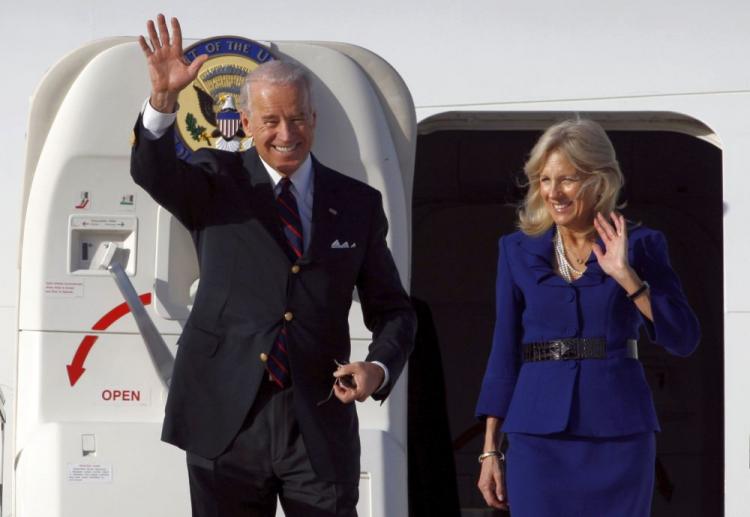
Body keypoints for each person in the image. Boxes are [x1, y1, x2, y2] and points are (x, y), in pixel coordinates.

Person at [132, 14, 416, 517]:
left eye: (298, 118)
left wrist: (377, 367)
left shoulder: (357, 203)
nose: (287, 133)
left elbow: (394, 309)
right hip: (226, 418)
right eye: (271, 121)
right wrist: (162, 101)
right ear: (245, 124)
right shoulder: (215, 180)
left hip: (319, 417)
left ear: (314, 118)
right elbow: (151, 170)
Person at [475, 119, 700, 516]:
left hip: (619, 433)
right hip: (536, 435)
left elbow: (683, 338)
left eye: (568, 179)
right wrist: (489, 449)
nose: (553, 193)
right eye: (545, 180)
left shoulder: (643, 245)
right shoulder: (514, 250)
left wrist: (626, 276)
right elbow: (503, 351)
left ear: (600, 180)